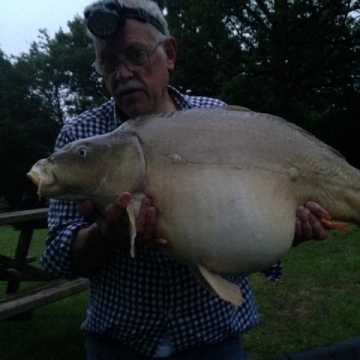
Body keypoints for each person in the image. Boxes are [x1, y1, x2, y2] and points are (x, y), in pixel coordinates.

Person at [41, 1, 331, 359]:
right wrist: (105, 236)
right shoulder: (80, 137)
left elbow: (247, 223)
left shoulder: (219, 119)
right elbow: (55, 256)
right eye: (108, 62)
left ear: (170, 54)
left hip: (213, 342)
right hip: (118, 345)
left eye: (135, 54)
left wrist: (290, 231)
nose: (123, 72)